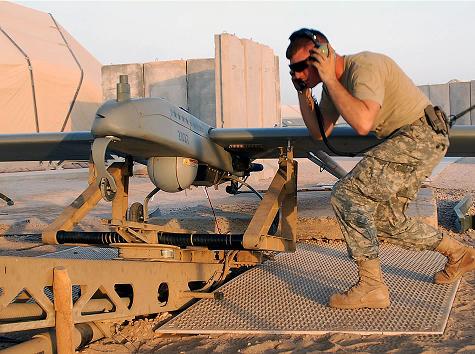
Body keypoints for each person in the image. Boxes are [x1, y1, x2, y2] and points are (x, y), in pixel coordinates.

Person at [286, 28, 475, 309]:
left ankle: (371, 288)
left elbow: (362, 122)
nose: (298, 73)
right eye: (292, 69)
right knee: (387, 221)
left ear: (323, 55)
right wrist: (305, 93)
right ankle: (460, 254)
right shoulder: (331, 86)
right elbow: (318, 131)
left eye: (302, 66)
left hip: (419, 136)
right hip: (415, 140)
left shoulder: (364, 66)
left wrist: (328, 79)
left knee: (347, 195)